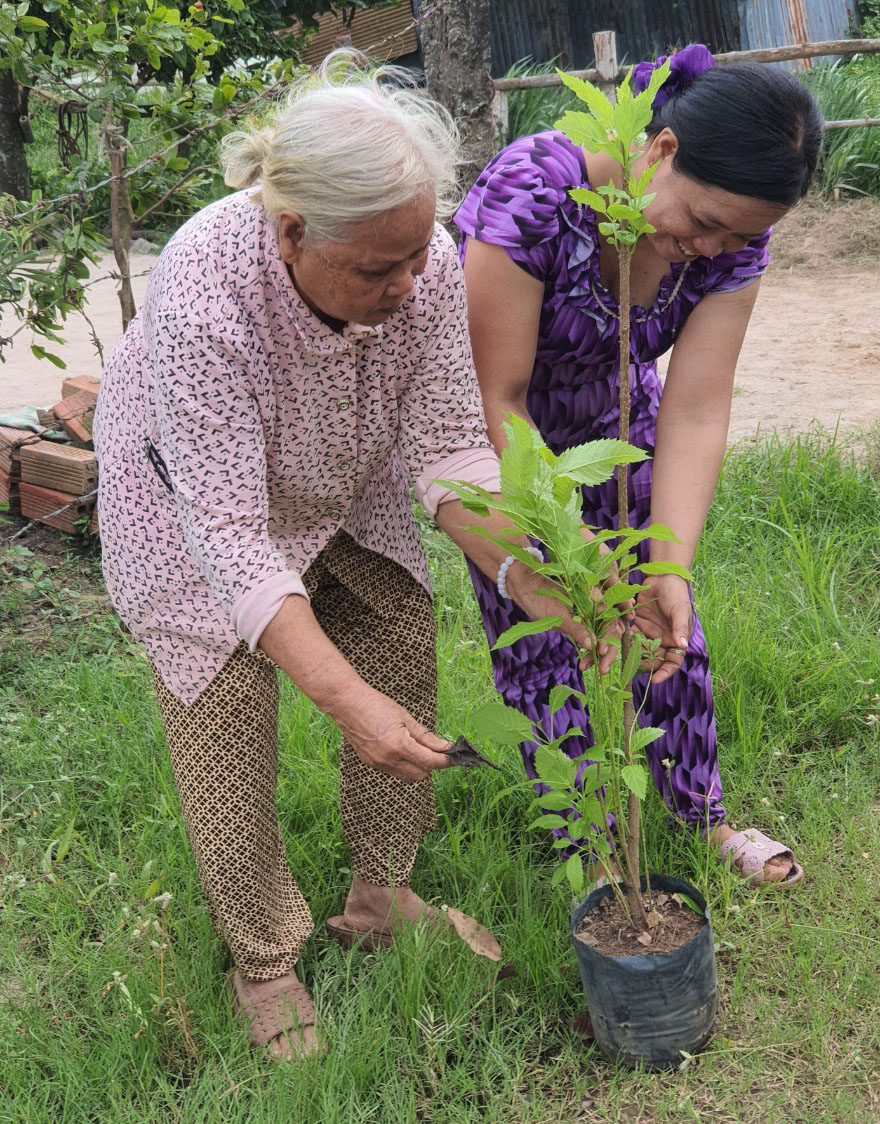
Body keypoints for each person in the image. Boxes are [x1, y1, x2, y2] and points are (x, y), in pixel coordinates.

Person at [93, 55, 613, 1060]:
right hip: (195, 504)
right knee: (224, 720)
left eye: (420, 256)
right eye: (380, 267)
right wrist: (341, 699)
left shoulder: (421, 268)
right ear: (293, 232)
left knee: (396, 641)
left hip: (342, 463)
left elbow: (457, 451)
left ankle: (382, 891)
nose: (409, 284)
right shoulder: (206, 294)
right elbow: (235, 539)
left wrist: (543, 586)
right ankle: (265, 960)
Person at [455, 45, 823, 887]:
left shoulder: (731, 245)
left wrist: (669, 559)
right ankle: (591, 855)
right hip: (508, 439)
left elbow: (696, 407)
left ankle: (705, 818)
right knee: (557, 631)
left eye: (739, 235)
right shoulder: (540, 190)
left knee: (665, 625)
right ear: (659, 149)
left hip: (620, 427)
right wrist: (569, 555)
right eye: (702, 220)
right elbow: (498, 398)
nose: (710, 247)